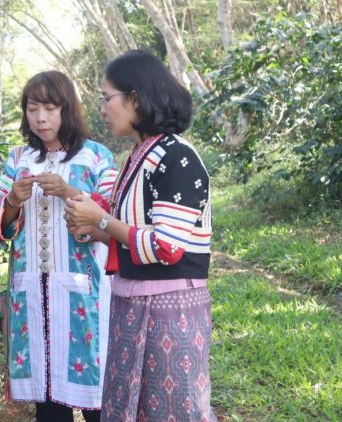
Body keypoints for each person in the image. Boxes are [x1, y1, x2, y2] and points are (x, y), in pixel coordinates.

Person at [64, 49, 216, 421]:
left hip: (169, 309)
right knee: (133, 407)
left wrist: (101, 220)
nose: (102, 108)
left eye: (106, 98)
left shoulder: (176, 156)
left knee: (168, 409)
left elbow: (166, 246)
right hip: (132, 303)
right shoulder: (140, 155)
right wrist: (95, 226)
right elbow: (131, 236)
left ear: (135, 98)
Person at [0, 70, 118, 422]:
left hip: (83, 293)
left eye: (50, 108)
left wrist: (69, 191)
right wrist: (12, 198)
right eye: (32, 108)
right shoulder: (18, 160)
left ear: (67, 109)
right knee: (46, 401)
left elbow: (114, 215)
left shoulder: (96, 157)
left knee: (96, 395)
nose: (40, 118)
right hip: (32, 298)